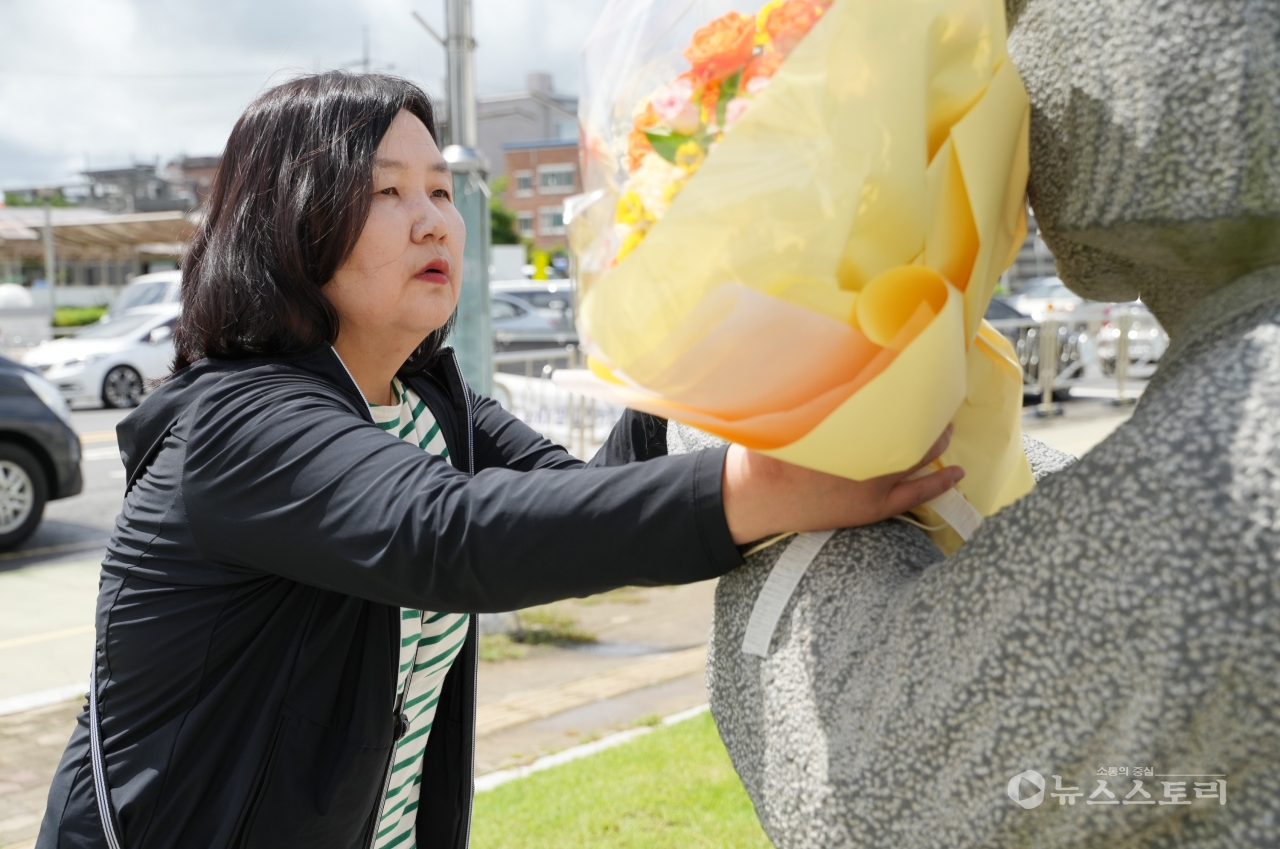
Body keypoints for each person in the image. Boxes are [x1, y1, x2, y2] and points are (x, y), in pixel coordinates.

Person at [37, 72, 962, 849]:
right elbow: (449, 534)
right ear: (287, 221)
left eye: (441, 190)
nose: (434, 220)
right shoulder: (239, 424)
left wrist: (701, 321)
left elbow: (579, 504)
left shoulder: (430, 405)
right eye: (385, 191)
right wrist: (759, 490)